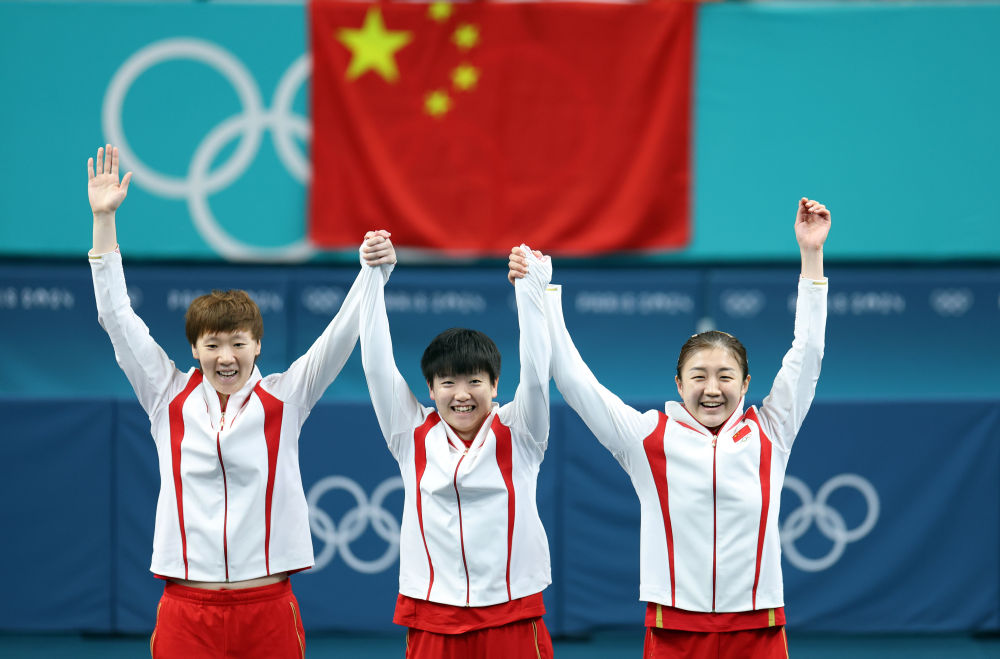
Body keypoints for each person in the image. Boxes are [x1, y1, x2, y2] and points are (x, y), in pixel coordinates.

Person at [87, 144, 392, 658]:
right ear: (194, 349)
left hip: (267, 608)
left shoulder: (286, 397)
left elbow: (341, 335)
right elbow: (116, 316)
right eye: (212, 345)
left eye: (237, 344)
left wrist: (372, 272)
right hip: (186, 610)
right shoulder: (165, 394)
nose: (225, 357)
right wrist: (103, 220)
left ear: (258, 346)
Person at [509, 198, 831, 658]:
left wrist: (812, 254)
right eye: (699, 376)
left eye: (725, 376)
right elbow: (575, 381)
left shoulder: (771, 431)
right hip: (674, 630)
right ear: (679, 385)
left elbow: (809, 352)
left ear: (746, 385)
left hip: (758, 628)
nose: (712, 389)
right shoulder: (646, 438)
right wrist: (543, 295)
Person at [357, 232, 555, 658]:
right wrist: (373, 275)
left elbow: (538, 373)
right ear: (430, 389)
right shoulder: (410, 433)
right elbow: (376, 365)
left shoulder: (521, 431)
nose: (461, 394)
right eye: (448, 382)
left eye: (474, 381)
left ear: (495, 385)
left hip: (512, 613)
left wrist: (530, 293)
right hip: (432, 616)